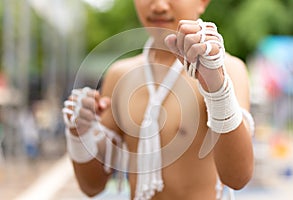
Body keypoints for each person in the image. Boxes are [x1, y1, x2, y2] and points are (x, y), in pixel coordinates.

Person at [62, 0, 255, 199]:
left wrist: (217, 89)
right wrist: (80, 133)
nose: (159, 6)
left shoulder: (228, 70)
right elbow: (92, 186)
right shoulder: (119, 75)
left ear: (202, 2)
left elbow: (238, 177)